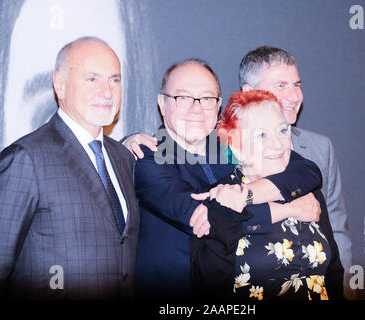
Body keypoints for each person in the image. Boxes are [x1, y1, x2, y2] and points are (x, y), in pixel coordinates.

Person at [133, 58, 324, 299]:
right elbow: (204, 217)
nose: (196, 108)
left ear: (218, 105)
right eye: (183, 98)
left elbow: (305, 170)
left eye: (207, 98)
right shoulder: (147, 157)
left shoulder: (228, 144)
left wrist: (246, 195)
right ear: (162, 103)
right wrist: (289, 209)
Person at [0, 37, 140, 299]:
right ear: (60, 85)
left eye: (114, 79)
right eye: (92, 79)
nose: (107, 91)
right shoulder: (26, 159)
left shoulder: (123, 158)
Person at [190, 90, 344, 300]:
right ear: (235, 146)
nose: (278, 144)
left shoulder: (306, 189)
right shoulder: (220, 198)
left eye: (282, 131)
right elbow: (208, 285)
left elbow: (333, 271)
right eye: (261, 135)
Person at [239, 46, 353, 298]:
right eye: (281, 86)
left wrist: (342, 290)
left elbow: (337, 227)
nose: (293, 96)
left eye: (297, 85)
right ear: (250, 93)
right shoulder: (226, 149)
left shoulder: (319, 148)